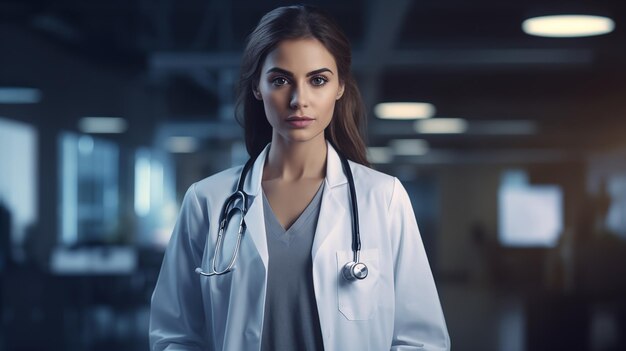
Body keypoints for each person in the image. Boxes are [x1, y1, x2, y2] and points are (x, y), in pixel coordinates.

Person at [149, 5, 450, 351]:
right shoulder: (207, 201)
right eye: (280, 80)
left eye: (318, 80)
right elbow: (174, 335)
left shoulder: (383, 198)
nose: (298, 100)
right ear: (258, 88)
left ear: (339, 87)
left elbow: (422, 340)